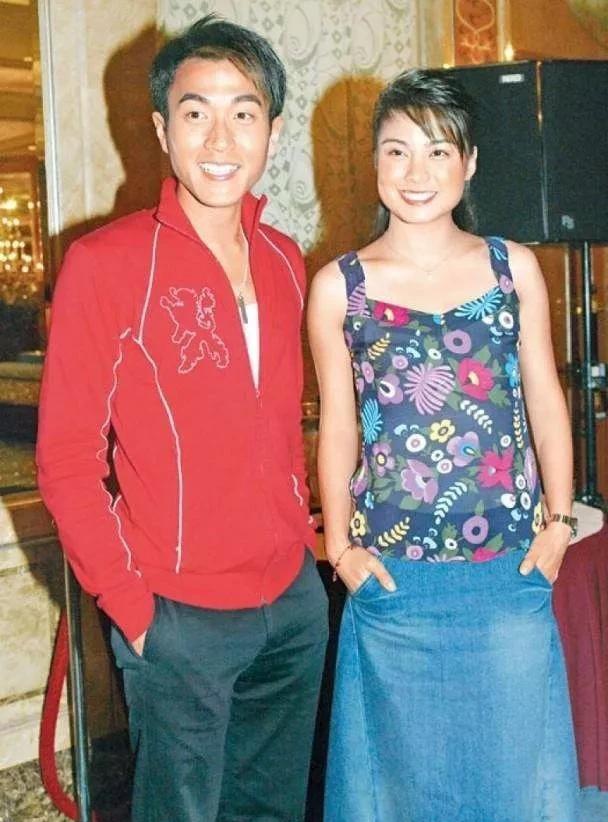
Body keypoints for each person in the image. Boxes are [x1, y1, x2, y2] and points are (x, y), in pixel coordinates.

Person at [37, 15, 328, 822]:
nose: (220, 138)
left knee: (272, 811)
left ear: (272, 131)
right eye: (196, 112)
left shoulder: (285, 259)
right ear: (164, 130)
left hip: (292, 604)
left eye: (244, 112)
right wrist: (132, 608)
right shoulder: (106, 263)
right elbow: (66, 461)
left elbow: (280, 427)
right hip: (177, 616)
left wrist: (304, 547)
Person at [308, 68, 579, 822]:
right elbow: (338, 425)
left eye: (437, 151)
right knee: (399, 786)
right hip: (393, 577)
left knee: (516, 779)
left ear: (470, 162)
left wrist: (560, 522)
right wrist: (340, 548)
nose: (416, 172)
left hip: (507, 568)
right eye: (397, 151)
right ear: (374, 163)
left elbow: (544, 398)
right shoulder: (339, 287)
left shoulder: (511, 268)